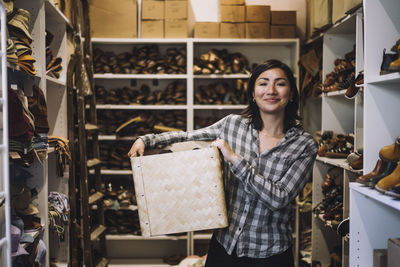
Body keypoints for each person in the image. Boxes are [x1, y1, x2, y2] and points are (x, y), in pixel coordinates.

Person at [128, 59, 318, 267]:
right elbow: (188, 136)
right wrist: (147, 139)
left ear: (291, 94)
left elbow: (279, 198)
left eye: (280, 83)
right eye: (263, 83)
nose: (271, 90)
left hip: (270, 253)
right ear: (253, 94)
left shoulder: (304, 145)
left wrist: (235, 159)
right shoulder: (232, 125)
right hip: (225, 247)